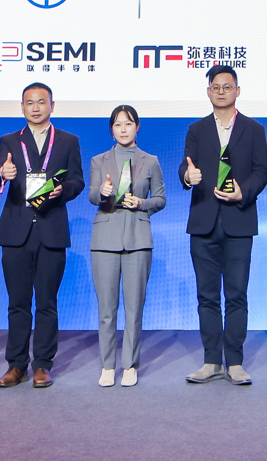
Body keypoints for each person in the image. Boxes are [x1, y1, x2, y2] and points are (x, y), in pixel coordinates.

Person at [178, 65, 267, 386]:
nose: (221, 92)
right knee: (206, 296)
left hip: (239, 222)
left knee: (236, 295)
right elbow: (185, 166)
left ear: (237, 91)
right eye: (215, 87)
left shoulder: (254, 129)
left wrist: (244, 191)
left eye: (227, 87)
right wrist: (187, 176)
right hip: (203, 222)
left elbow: (261, 171)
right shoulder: (196, 129)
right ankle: (211, 361)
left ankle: (235, 362)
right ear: (208, 92)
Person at [0, 83, 84, 390]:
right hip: (16, 231)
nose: (35, 107)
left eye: (41, 102)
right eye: (29, 102)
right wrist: (2, 173)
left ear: (52, 106)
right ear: (22, 107)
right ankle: (16, 365)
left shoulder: (68, 141)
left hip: (51, 230)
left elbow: (77, 180)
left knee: (47, 302)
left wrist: (63, 190)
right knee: (17, 303)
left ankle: (42, 364)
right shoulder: (9, 140)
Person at [87, 104, 165, 388]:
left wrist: (142, 203)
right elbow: (92, 195)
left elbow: (161, 198)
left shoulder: (150, 161)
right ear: (111, 129)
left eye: (128, 124)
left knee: (134, 308)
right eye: (118, 124)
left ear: (137, 127)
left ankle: (130, 364)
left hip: (138, 239)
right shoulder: (99, 160)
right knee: (106, 309)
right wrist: (103, 191)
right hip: (105, 239)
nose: (123, 129)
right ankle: (108, 365)